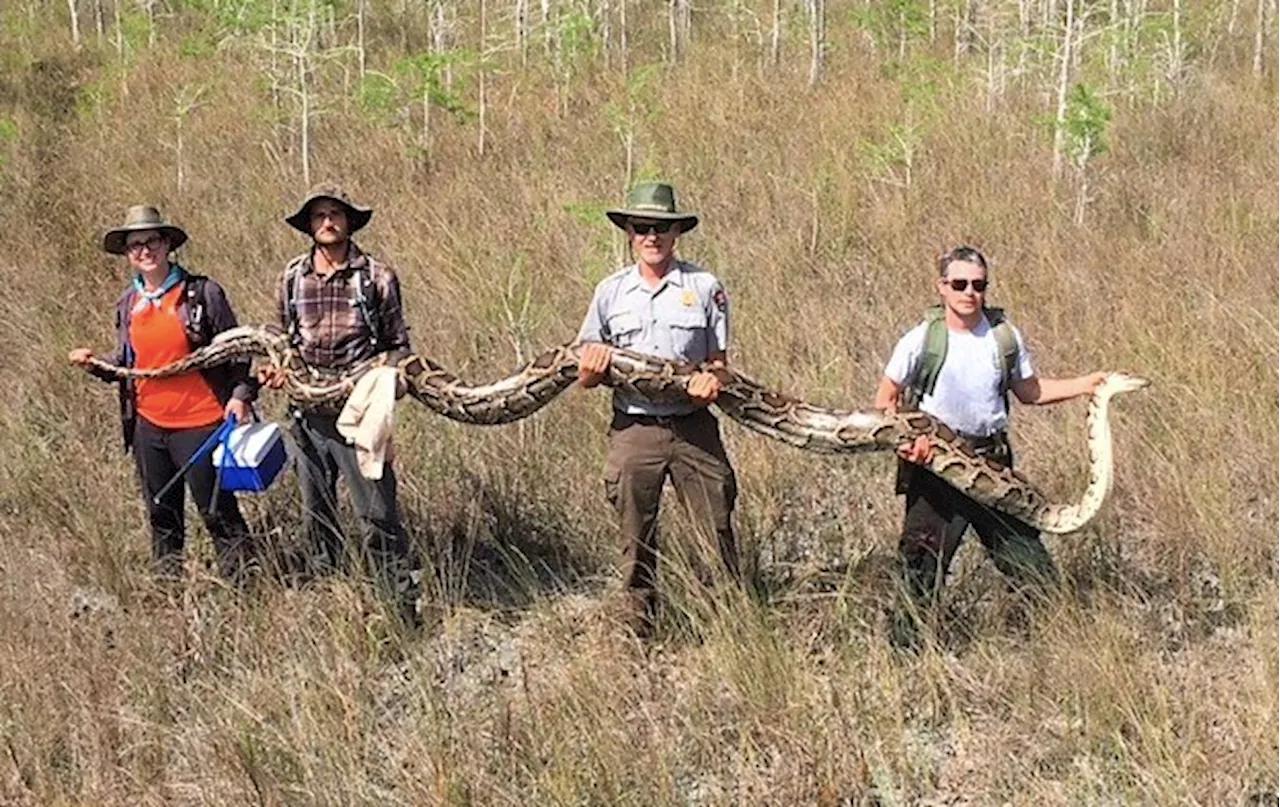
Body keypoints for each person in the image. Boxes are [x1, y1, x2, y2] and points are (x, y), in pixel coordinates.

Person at [873, 246, 1107, 636]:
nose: (969, 292)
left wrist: (1086, 385)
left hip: (992, 464)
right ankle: (908, 658)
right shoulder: (920, 339)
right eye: (960, 284)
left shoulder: (1003, 336)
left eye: (978, 285)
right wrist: (907, 445)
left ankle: (1057, 641)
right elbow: (886, 400)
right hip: (936, 469)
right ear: (942, 288)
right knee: (920, 570)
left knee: (1030, 565)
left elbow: (1029, 391)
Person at [576, 181, 739, 635]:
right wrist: (591, 367)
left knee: (716, 527)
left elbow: (722, 366)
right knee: (635, 535)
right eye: (643, 227)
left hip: (693, 427)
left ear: (676, 233)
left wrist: (713, 381)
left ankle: (726, 626)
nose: (652, 236)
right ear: (629, 232)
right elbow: (585, 376)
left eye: (661, 228)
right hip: (635, 426)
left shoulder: (705, 287)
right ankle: (638, 630)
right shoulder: (610, 292)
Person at [69, 205, 257, 585]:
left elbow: (239, 350)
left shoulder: (202, 293)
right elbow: (129, 362)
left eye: (151, 241)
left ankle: (247, 591)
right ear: (127, 254)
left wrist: (240, 395)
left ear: (167, 244)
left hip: (202, 423)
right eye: (135, 245)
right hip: (149, 426)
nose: (144, 250)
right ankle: (168, 593)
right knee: (161, 513)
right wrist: (96, 364)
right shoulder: (129, 304)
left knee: (216, 511)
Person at [259, 184, 419, 624]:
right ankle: (329, 602)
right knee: (317, 513)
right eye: (319, 216)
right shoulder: (291, 277)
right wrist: (275, 372)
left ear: (349, 222)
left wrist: (381, 378)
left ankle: (399, 605)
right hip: (307, 415)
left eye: (336, 214)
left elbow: (397, 345)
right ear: (309, 226)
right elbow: (282, 340)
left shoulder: (377, 276)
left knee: (377, 513)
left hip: (361, 414)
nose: (328, 222)